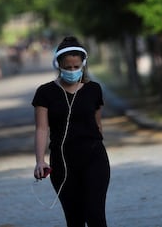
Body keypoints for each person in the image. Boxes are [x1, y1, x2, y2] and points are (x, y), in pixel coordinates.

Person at [32, 36, 110, 227]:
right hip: (63, 163)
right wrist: (40, 161)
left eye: (76, 67)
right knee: (74, 219)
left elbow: (97, 125)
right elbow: (42, 128)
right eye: (68, 67)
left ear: (83, 64)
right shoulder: (45, 93)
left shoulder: (94, 90)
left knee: (95, 215)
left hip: (94, 159)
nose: (72, 71)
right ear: (59, 65)